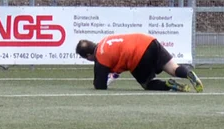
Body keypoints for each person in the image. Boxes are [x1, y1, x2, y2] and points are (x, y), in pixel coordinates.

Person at [75, 33, 204, 92]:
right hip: (149, 40)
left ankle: (169, 85)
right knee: (173, 68)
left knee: (147, 84)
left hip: (137, 54)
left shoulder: (100, 56)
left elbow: (100, 86)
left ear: (88, 55)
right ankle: (188, 73)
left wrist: (97, 80)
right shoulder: (105, 40)